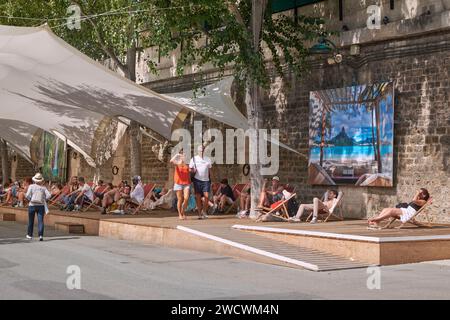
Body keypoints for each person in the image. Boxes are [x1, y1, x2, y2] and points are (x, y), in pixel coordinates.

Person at [26, 173, 51, 241]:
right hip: (41, 205)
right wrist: (44, 199)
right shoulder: (43, 188)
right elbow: (49, 195)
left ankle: (29, 235)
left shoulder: (31, 186)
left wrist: (30, 199)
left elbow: (27, 195)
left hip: (32, 205)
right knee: (40, 221)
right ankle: (40, 235)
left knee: (31, 221)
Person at [189, 145, 213, 219]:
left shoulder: (208, 159)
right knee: (198, 198)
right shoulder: (194, 159)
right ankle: (199, 213)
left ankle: (204, 211)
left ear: (204, 151)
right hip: (197, 180)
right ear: (198, 151)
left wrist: (212, 180)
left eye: (202, 150)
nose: (201, 152)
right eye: (200, 150)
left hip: (206, 180)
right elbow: (190, 169)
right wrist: (193, 170)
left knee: (206, 197)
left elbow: (210, 170)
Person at [170, 150, 190, 220]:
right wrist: (177, 155)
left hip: (186, 183)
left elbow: (190, 170)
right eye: (182, 155)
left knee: (186, 198)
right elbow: (171, 160)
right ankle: (180, 214)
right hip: (178, 183)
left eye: (184, 155)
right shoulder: (177, 162)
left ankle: (182, 211)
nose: (184, 157)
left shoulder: (187, 163)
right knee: (180, 199)